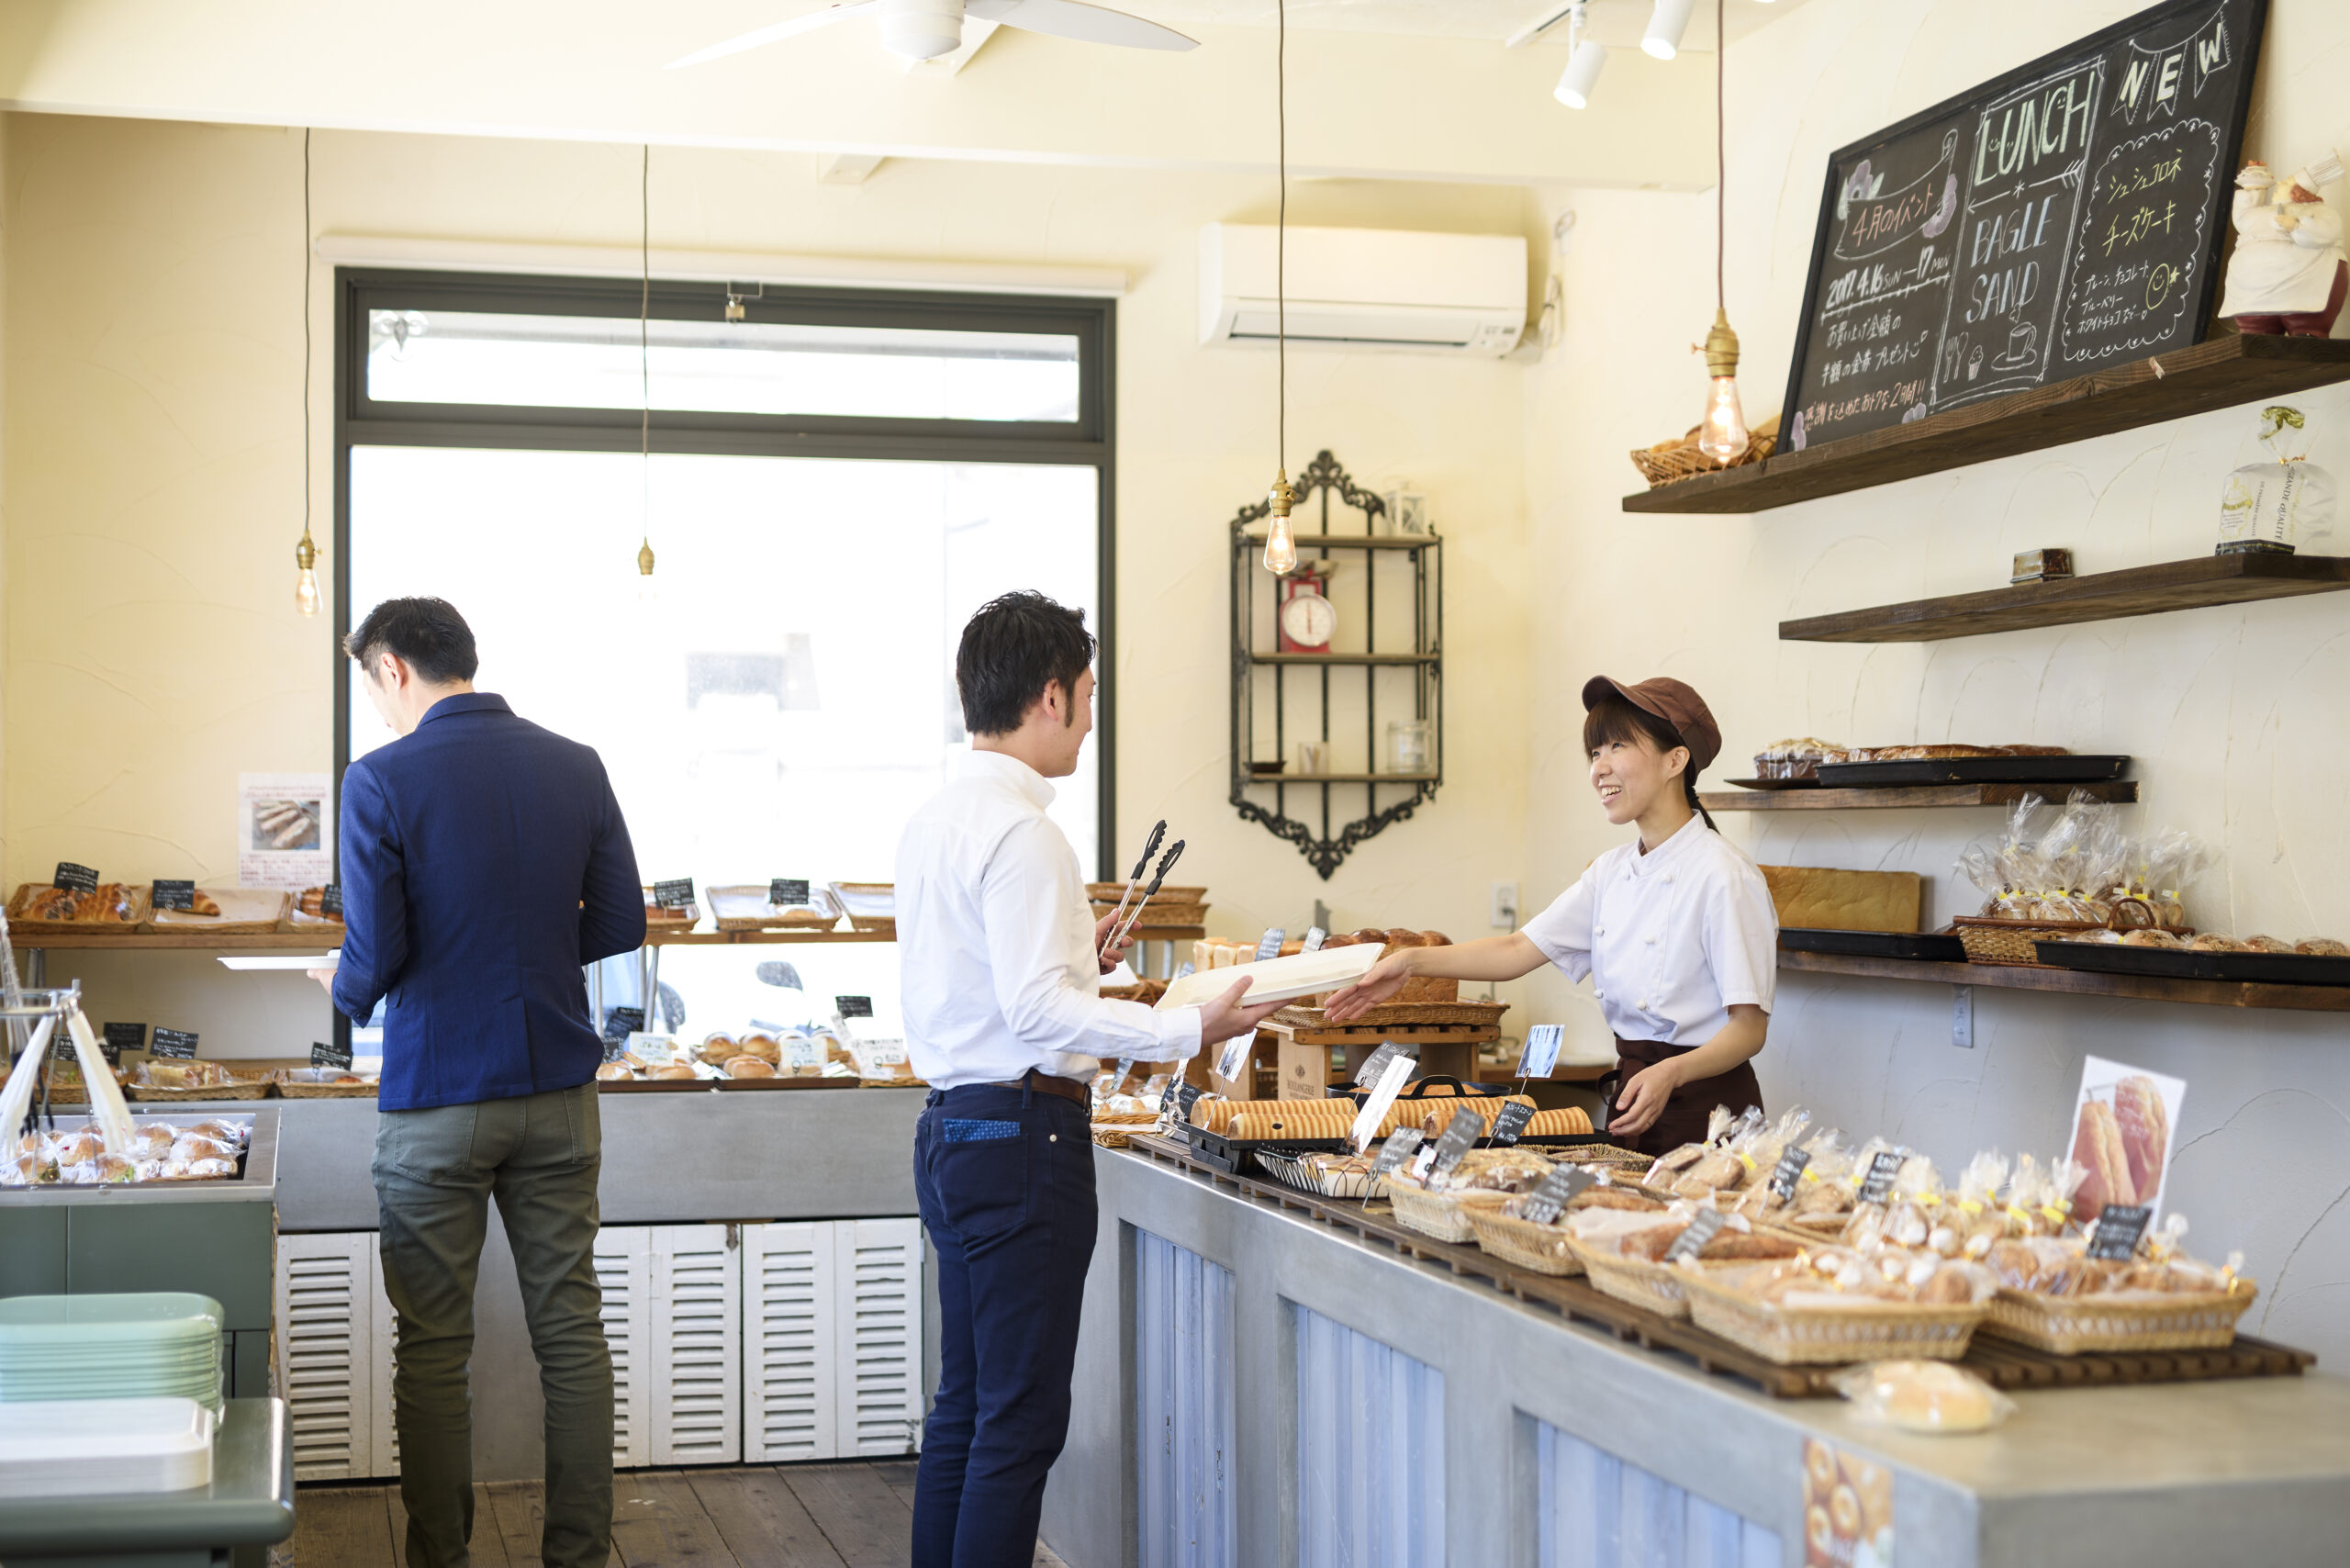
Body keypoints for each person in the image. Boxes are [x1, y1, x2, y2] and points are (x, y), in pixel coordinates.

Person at [896, 591, 1285, 1568]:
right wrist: (1187, 1023)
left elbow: (989, 989)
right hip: (1024, 1139)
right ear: (1049, 694)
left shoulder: (937, 818)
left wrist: (1084, 963)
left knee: (967, 1407)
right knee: (1017, 1425)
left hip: (952, 1129)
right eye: (1089, 692)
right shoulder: (1026, 834)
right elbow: (1030, 1014)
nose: (1091, 713)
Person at [314, 597, 645, 1568]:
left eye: (370, 683)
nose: (375, 704)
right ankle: (579, 1555)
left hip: (436, 1100)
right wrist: (537, 951)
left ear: (392, 669)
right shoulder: (574, 764)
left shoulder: (378, 780)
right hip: (558, 1091)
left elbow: (373, 959)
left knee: (432, 1347)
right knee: (573, 1332)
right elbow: (621, 920)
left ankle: (439, 1559)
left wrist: (337, 980)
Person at [1326, 675, 1775, 1153]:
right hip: (1635, 1097)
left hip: (1710, 1112)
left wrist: (1671, 1071)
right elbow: (1518, 948)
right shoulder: (1611, 871)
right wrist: (1408, 962)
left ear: (1675, 759)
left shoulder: (1725, 875)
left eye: (1617, 746)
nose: (1598, 769)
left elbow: (1749, 1029)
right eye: (1594, 752)